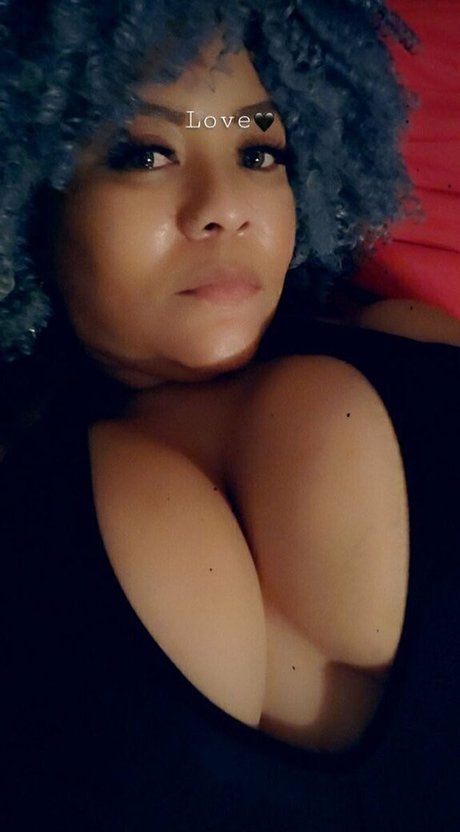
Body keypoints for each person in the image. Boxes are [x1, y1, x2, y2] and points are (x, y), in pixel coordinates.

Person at [1, 1, 459, 830]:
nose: (226, 205)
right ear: (32, 194)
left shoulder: (410, 338)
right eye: (144, 154)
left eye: (257, 152)